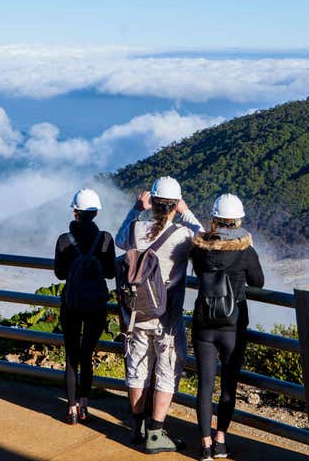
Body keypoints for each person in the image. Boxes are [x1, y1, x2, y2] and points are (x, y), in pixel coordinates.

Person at [116, 176, 203, 453]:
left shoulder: (134, 228)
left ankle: (137, 427)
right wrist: (185, 211)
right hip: (167, 319)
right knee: (167, 371)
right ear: (174, 204)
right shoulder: (181, 235)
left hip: (135, 314)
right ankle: (155, 434)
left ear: (151, 201)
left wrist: (135, 208)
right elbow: (204, 239)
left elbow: (119, 240)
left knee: (137, 369)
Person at [190, 194, 264, 461]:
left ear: (215, 219)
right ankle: (221, 440)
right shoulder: (245, 251)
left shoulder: (199, 249)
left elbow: (200, 272)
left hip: (203, 324)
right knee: (228, 386)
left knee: (205, 386)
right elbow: (258, 282)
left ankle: (205, 445)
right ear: (238, 220)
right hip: (233, 325)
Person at [54, 188, 116, 425]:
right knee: (87, 355)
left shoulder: (63, 240)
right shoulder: (105, 239)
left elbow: (60, 274)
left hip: (71, 304)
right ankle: (84, 407)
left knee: (71, 356)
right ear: (96, 212)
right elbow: (110, 272)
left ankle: (70, 410)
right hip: (96, 305)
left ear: (75, 212)